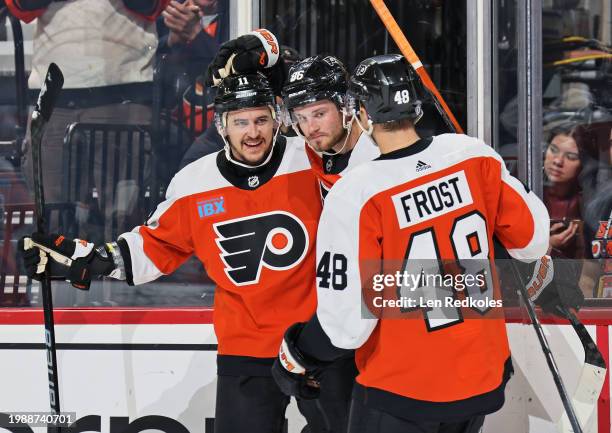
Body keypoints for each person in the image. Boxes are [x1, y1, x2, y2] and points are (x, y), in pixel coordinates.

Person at [268, 54, 582, 433]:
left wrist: (299, 352)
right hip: (481, 377)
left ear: (362, 113)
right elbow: (532, 241)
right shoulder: (473, 155)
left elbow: (344, 327)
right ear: (415, 106)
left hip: (405, 387)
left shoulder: (357, 192)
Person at [18, 72, 345, 433]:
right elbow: (156, 246)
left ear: (276, 118)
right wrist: (87, 258)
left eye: (261, 120)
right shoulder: (195, 183)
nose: (252, 133)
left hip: (318, 340)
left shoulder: (313, 161)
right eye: (240, 122)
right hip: (246, 345)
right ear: (221, 125)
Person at [6, 0, 168, 205]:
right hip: (54, 97)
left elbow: (150, 5)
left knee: (121, 219)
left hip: (122, 95)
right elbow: (22, 5)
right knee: (51, 217)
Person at [543, 123, 586, 258]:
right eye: (553, 150)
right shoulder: (528, 190)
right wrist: (549, 245)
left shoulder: (588, 202)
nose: (558, 161)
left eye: (571, 157)